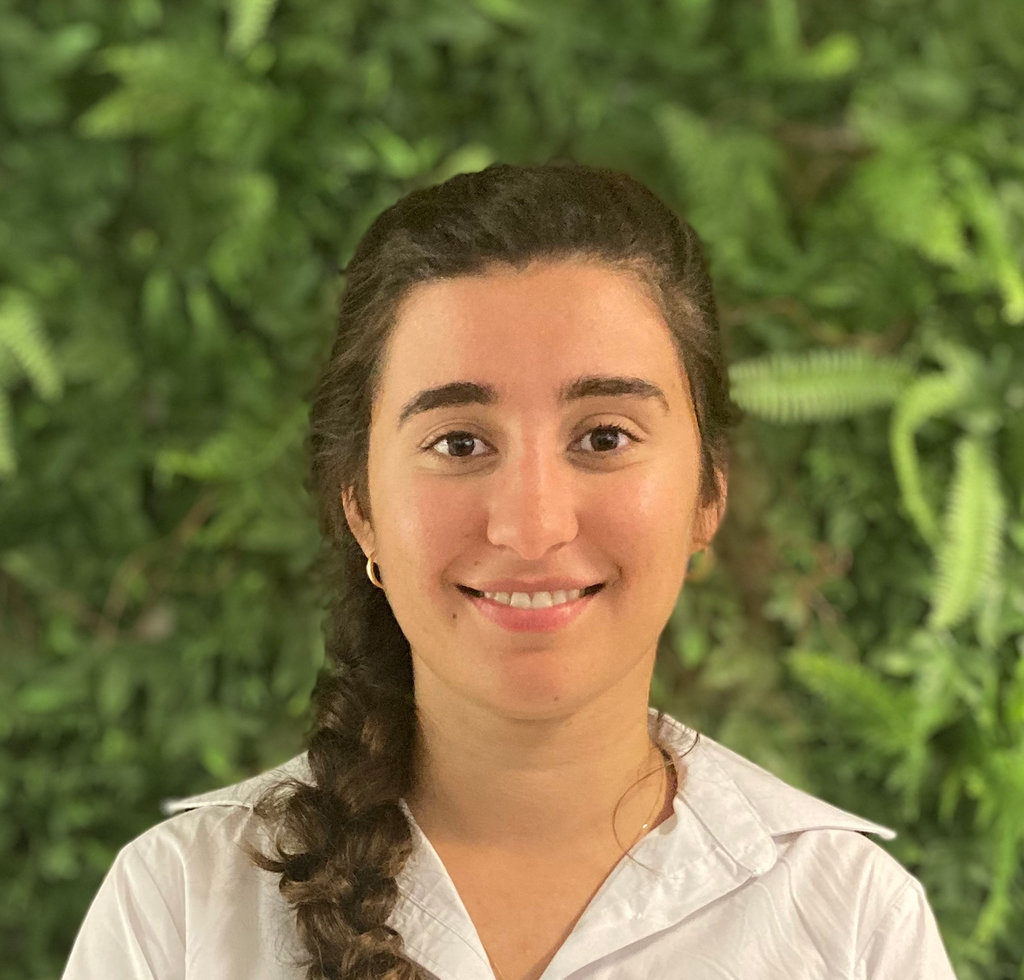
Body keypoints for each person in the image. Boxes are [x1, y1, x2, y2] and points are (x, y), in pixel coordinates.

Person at [63, 162, 957, 980]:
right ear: (361, 504)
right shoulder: (181, 912)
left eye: (603, 437)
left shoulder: (849, 924)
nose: (532, 527)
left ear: (708, 493)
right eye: (459, 442)